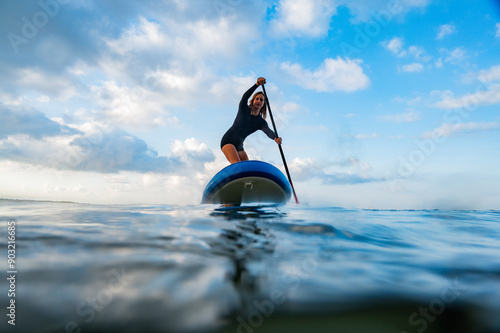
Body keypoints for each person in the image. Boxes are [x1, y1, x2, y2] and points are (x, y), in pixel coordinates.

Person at [220, 77, 282, 164]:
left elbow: (268, 131)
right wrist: (256, 85)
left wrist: (275, 138)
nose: (259, 101)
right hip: (228, 141)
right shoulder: (244, 109)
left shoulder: (260, 122)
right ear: (252, 101)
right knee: (237, 164)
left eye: (261, 100)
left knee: (247, 168)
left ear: (263, 104)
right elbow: (245, 97)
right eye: (257, 99)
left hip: (239, 146)